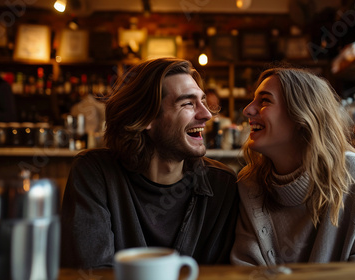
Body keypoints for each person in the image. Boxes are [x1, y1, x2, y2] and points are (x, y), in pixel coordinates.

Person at [60, 58, 239, 268]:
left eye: (203, 101)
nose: (206, 114)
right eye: (188, 103)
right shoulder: (95, 173)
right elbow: (92, 272)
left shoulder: (222, 185)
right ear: (145, 118)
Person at [230, 66, 355, 265]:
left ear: (301, 116)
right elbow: (247, 268)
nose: (248, 110)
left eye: (264, 100)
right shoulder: (249, 182)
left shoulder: (354, 173)